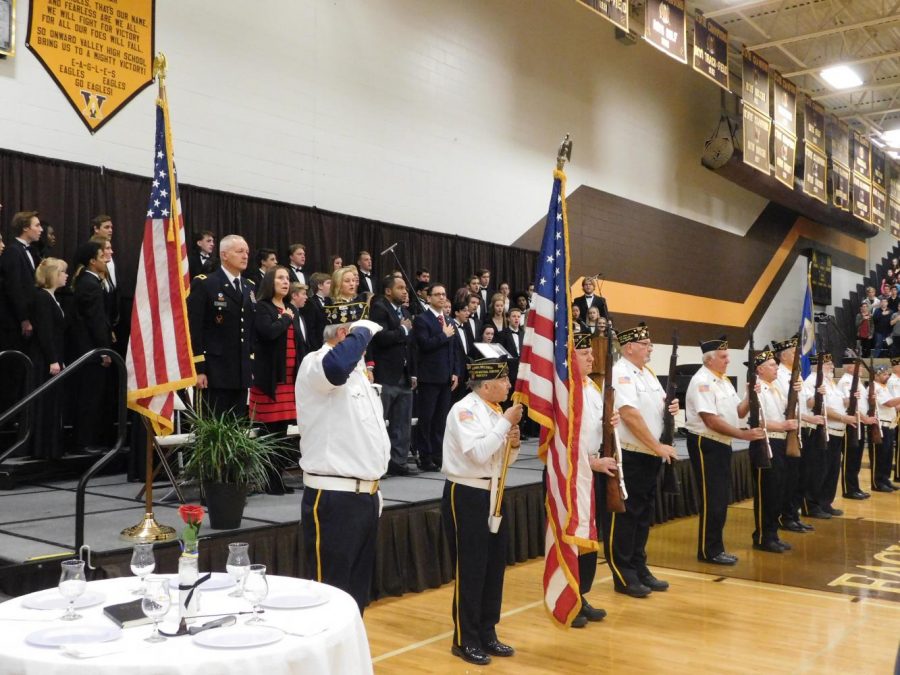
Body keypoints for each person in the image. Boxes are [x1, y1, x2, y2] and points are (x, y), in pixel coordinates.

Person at [295, 309, 389, 614]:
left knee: (356, 596)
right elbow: (335, 369)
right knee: (330, 596)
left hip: (366, 495)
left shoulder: (359, 375)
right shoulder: (315, 363)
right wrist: (363, 329)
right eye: (361, 340)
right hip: (334, 498)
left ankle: (350, 662)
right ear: (343, 335)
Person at [441, 355, 522, 666]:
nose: (509, 385)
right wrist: (505, 426)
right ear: (487, 384)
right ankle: (465, 638)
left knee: (493, 566)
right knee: (472, 567)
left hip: (495, 491)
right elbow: (477, 454)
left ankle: (488, 631)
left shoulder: (495, 410)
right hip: (467, 493)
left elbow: (502, 461)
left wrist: (512, 445)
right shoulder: (465, 410)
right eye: (503, 380)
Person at [604, 323, 679, 593]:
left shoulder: (646, 373)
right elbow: (629, 414)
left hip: (648, 456)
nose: (650, 348)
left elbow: (656, 408)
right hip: (632, 455)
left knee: (643, 515)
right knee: (627, 516)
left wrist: (671, 407)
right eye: (646, 343)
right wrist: (657, 446)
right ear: (630, 347)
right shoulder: (621, 373)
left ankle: (639, 566)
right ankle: (623, 574)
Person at [685, 337, 764, 565]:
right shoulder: (702, 381)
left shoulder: (723, 381)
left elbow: (738, 413)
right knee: (713, 499)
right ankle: (709, 550)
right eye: (723, 357)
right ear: (709, 360)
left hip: (722, 443)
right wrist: (743, 435)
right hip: (706, 442)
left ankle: (715, 547)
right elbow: (710, 420)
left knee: (720, 498)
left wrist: (751, 396)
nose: (728, 360)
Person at [249, 266, 306, 494]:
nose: (285, 281)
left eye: (287, 278)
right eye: (280, 278)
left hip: (289, 379)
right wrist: (285, 318)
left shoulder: (291, 308)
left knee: (282, 434)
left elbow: (299, 341)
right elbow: (269, 333)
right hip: (270, 379)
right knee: (269, 433)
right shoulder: (263, 307)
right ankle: (268, 480)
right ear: (270, 282)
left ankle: (277, 478)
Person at [187, 234, 255, 417]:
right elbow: (195, 329)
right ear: (224, 255)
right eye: (240, 251)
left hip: (240, 370)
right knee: (213, 431)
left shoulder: (249, 287)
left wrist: (250, 364)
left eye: (247, 252)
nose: (245, 256)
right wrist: (199, 368)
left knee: (236, 430)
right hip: (214, 371)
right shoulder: (206, 283)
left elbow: (249, 330)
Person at [368, 274, 417, 477]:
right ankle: (378, 463)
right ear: (388, 291)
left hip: (404, 374)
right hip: (386, 374)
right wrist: (403, 330)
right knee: (380, 421)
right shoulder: (379, 308)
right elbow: (380, 338)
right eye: (400, 288)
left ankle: (399, 462)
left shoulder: (404, 311)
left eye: (405, 287)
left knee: (402, 423)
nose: (405, 291)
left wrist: (413, 372)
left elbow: (410, 345)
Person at [751, 348, 799, 553]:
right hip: (765, 443)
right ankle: (762, 536)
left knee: (778, 491)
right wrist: (783, 426)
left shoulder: (775, 388)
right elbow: (757, 420)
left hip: (780, 443)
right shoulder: (757, 388)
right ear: (760, 369)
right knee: (767, 492)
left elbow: (785, 412)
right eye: (772, 365)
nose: (776, 367)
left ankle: (772, 534)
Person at [70, 240, 113, 453]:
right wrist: (104, 350)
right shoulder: (89, 284)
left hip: (89, 349)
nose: (106, 257)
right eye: (101, 255)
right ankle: (84, 441)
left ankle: (88, 439)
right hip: (91, 351)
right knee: (90, 396)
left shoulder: (91, 282)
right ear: (91, 261)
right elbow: (96, 321)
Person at [772, 336, 817, 534]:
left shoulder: (796, 374)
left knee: (801, 476)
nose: (797, 356)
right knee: (789, 477)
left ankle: (794, 514)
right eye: (793, 353)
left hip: (801, 429)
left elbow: (805, 403)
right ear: (783, 357)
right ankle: (786, 516)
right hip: (789, 429)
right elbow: (787, 406)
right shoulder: (780, 376)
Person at [412, 284, 458, 472]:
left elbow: (454, 350)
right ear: (429, 298)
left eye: (443, 294)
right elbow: (424, 345)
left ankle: (439, 455)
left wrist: (455, 371)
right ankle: (425, 456)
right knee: (427, 419)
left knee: (441, 419)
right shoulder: (422, 320)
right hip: (429, 377)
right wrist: (443, 335)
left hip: (446, 376)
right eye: (437, 294)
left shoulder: (448, 319)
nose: (441, 297)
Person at [29, 257, 68, 460]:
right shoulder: (42, 298)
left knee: (53, 401)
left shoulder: (53, 298)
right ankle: (42, 447)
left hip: (53, 356)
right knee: (44, 400)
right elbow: (45, 331)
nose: (66, 276)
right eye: (63, 272)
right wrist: (53, 359)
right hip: (44, 358)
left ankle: (51, 445)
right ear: (53, 275)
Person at [800, 354, 848, 519]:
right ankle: (812, 505)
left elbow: (840, 403)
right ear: (817, 366)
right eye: (827, 364)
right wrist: (842, 418)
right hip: (822, 430)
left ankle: (825, 502)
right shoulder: (811, 381)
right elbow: (812, 405)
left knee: (832, 469)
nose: (832, 366)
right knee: (818, 469)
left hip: (836, 431)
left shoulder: (831, 382)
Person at [0, 210, 42, 350]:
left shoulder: (30, 251)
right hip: (14, 321)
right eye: (37, 225)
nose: (40, 229)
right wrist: (24, 318)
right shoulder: (13, 251)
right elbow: (14, 287)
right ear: (25, 228)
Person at [837, 357, 876, 501]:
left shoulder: (856, 381)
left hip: (859, 422)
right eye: (858, 366)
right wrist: (865, 419)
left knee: (857, 457)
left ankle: (855, 487)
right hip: (851, 424)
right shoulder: (847, 381)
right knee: (850, 457)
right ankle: (849, 489)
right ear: (850, 368)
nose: (861, 369)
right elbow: (851, 405)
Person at [871, 365, 899, 493]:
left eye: (887, 374)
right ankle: (878, 482)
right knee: (880, 455)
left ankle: (885, 479)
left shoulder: (885, 387)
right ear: (876, 375)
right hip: (880, 425)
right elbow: (888, 403)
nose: (887, 376)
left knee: (888, 455)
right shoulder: (875, 387)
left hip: (890, 424)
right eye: (883, 374)